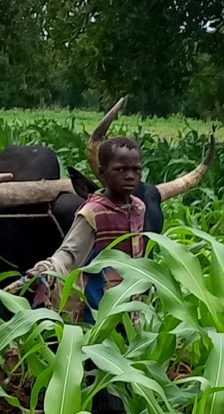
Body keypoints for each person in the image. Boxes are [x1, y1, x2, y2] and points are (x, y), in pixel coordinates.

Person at [31, 131, 212, 313]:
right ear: (102, 173)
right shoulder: (92, 212)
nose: (130, 176)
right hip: (95, 302)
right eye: (120, 170)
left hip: (133, 298)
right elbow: (69, 253)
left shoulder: (140, 207)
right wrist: (48, 267)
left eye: (136, 170)